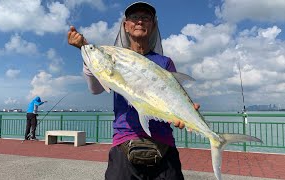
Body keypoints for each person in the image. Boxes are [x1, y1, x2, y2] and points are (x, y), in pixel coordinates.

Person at [68, 2, 199, 179]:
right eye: (134, 17)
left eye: (145, 18)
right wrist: (85, 50)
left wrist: (187, 113)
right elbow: (95, 88)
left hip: (164, 144)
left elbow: (176, 99)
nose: (139, 21)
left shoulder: (165, 62)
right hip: (124, 142)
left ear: (153, 26)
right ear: (125, 26)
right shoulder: (115, 56)